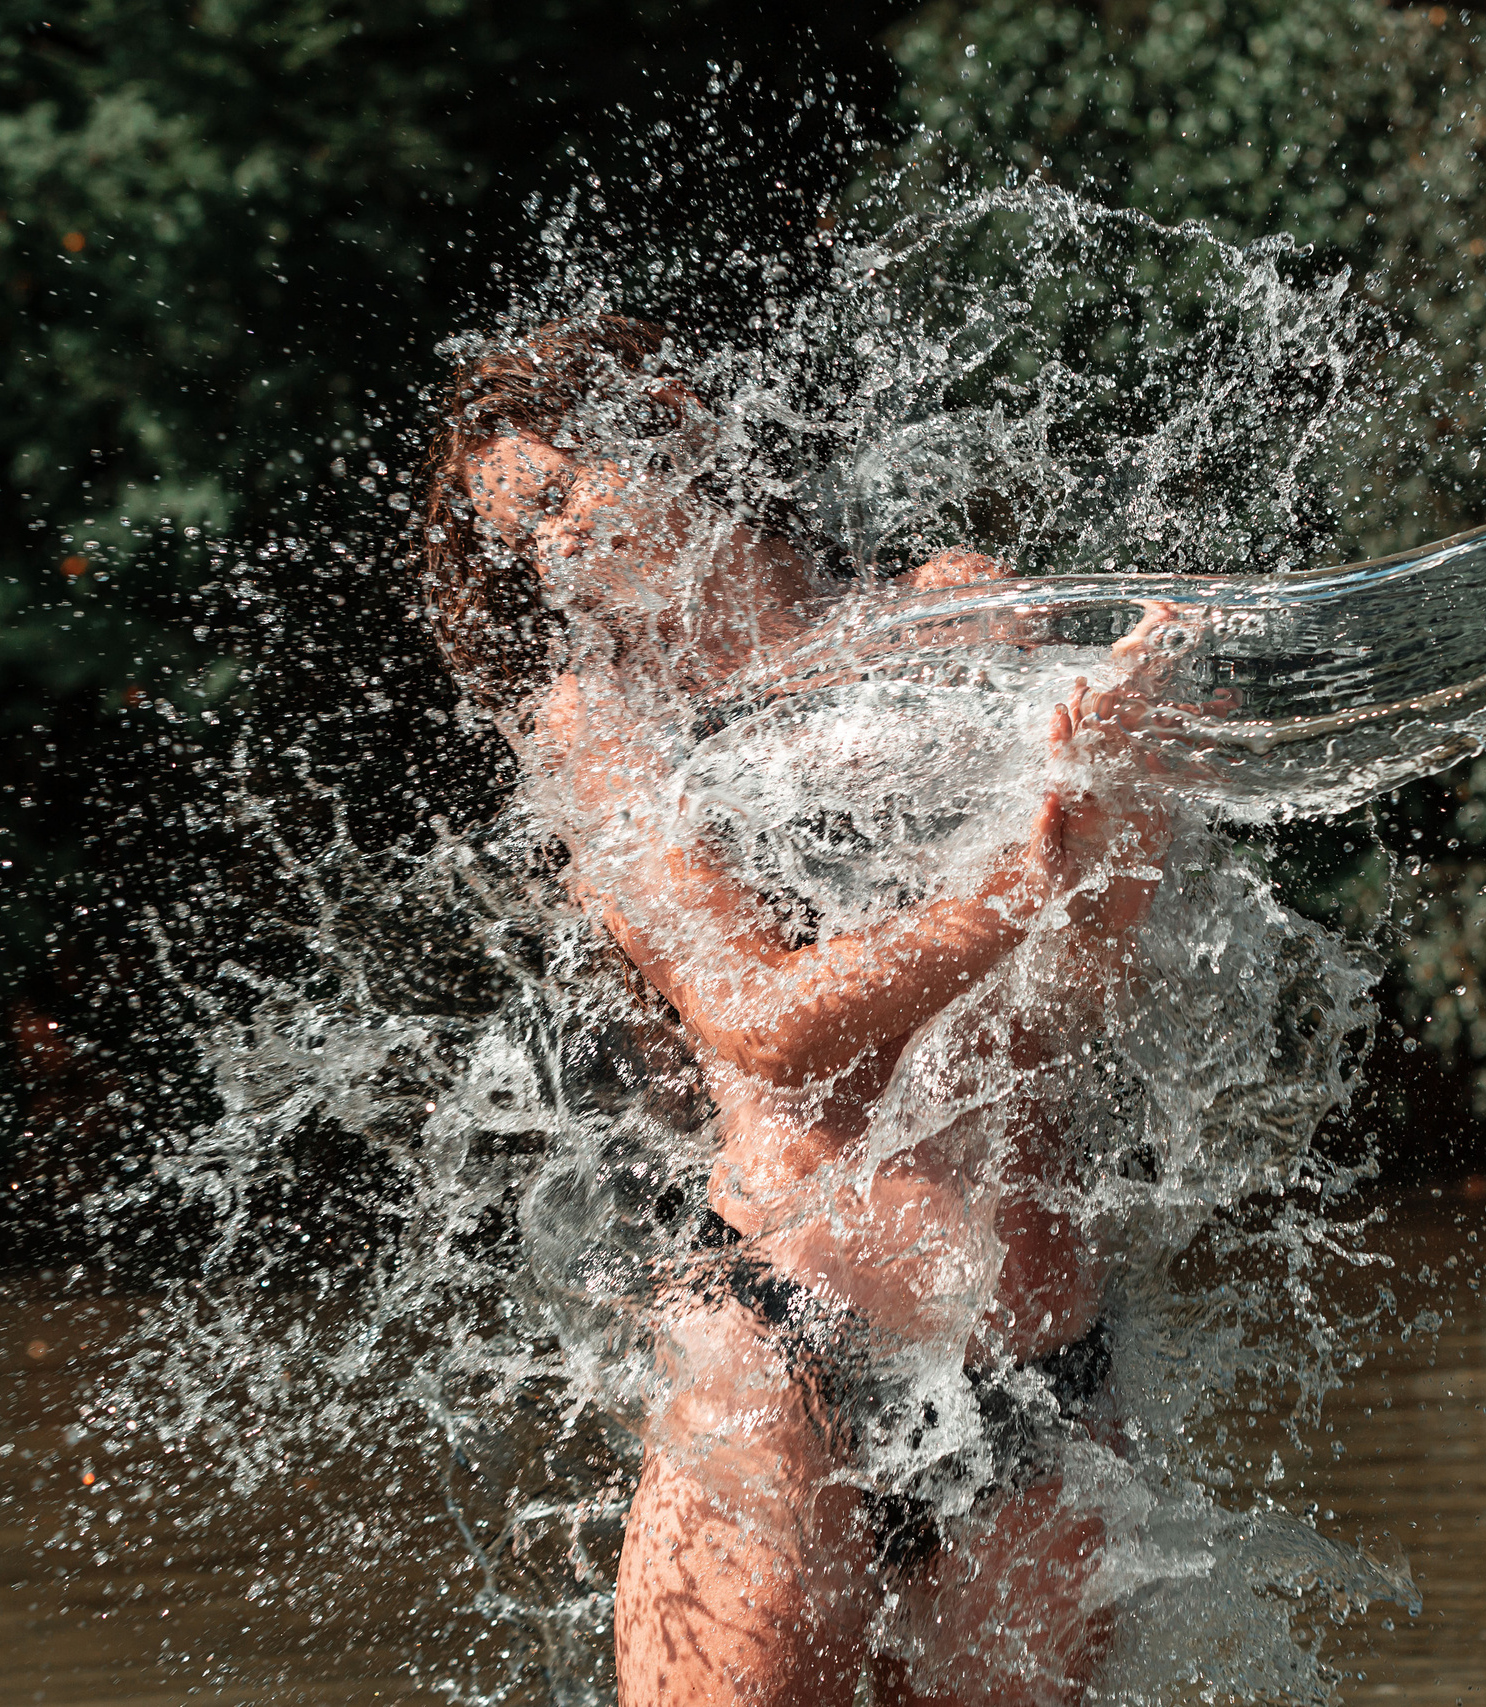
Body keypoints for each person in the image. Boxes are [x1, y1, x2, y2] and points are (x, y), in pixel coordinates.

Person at [418, 317, 1184, 1707]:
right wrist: (1023, 884)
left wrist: (1124, 803)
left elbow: (1081, 994)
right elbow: (756, 1015)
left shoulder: (959, 615)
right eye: (513, 537)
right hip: (781, 1338)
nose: (545, 551)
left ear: (667, 420)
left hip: (1036, 1357)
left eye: (553, 496)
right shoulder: (597, 728)